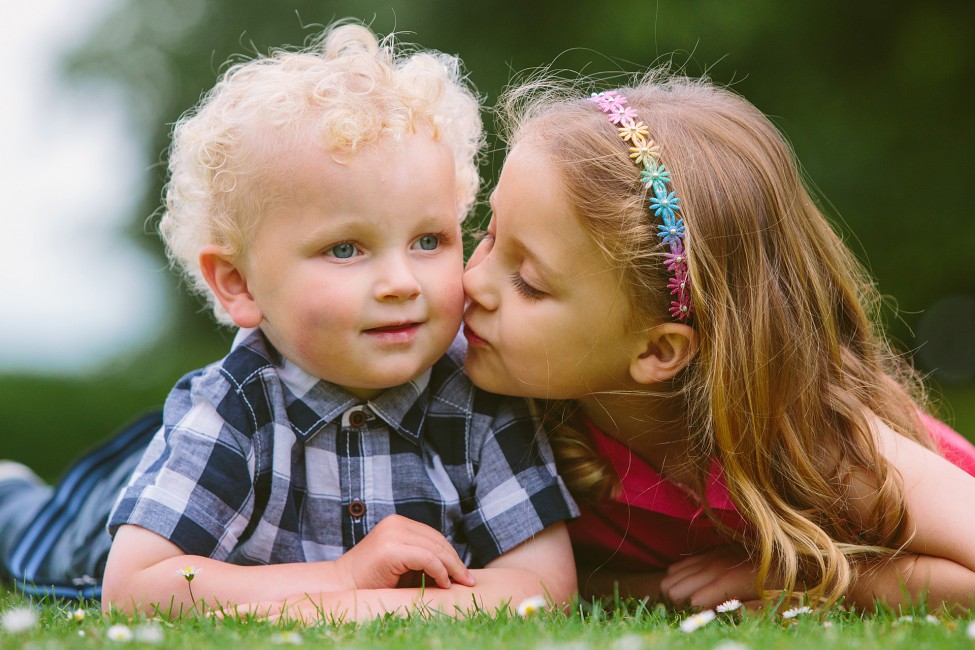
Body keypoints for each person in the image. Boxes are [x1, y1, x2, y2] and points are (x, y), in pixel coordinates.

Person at [0, 23, 578, 620]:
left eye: (429, 240)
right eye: (346, 249)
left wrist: (366, 608)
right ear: (240, 284)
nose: (402, 282)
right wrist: (341, 578)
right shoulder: (233, 406)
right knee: (32, 532)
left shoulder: (480, 392)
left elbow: (545, 585)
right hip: (104, 520)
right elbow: (137, 585)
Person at [460, 71, 975, 612]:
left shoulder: (818, 444)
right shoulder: (511, 408)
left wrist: (805, 578)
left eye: (529, 283)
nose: (473, 281)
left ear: (658, 351)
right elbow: (575, 583)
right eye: (488, 233)